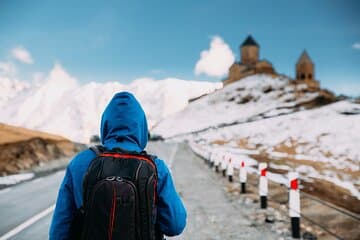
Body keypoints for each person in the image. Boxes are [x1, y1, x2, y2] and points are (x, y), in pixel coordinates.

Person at [49, 92, 187, 239]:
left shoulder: (80, 163)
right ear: (141, 127)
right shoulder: (156, 167)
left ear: (105, 125)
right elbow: (175, 226)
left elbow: (59, 230)